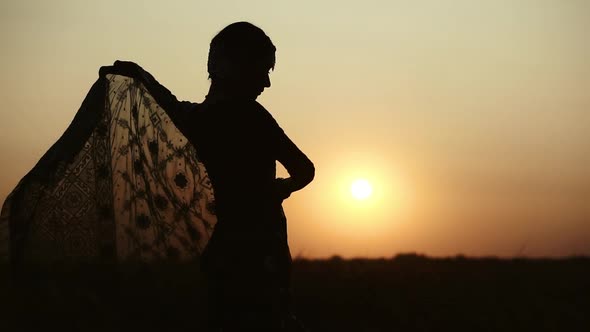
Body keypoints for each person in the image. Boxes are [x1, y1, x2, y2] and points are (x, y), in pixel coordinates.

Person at [116, 21, 314, 331]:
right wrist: (277, 190)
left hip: (225, 250)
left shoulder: (200, 119)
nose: (266, 83)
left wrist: (141, 77)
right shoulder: (250, 117)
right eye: (262, 71)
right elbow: (304, 170)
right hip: (256, 251)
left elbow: (168, 106)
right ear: (229, 67)